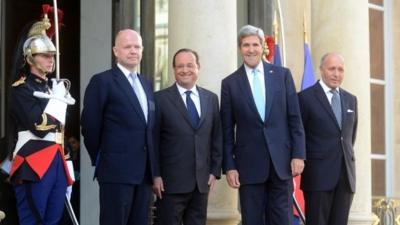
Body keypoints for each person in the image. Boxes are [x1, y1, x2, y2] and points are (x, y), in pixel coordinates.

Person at [220, 25, 306, 225]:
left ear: (262, 47)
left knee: (282, 220)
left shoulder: (282, 75)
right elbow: (226, 131)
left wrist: (298, 154)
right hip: (248, 167)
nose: (251, 49)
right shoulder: (230, 84)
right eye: (246, 45)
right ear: (240, 48)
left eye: (255, 45)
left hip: (282, 164)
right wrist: (230, 167)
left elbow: (295, 118)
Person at [81, 29, 156, 225]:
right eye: (127, 47)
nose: (133, 51)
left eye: (137, 46)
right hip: (115, 171)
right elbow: (90, 125)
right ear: (115, 51)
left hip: (144, 174)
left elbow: (148, 128)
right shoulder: (102, 81)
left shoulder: (146, 84)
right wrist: (104, 156)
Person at [8, 14, 75, 225]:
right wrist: (58, 101)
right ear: (30, 58)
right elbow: (39, 125)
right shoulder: (22, 89)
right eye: (45, 55)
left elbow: (60, 130)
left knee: (52, 220)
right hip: (34, 160)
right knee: (33, 220)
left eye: (52, 55)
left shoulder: (52, 87)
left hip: (57, 161)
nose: (50, 59)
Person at [152, 48, 223, 225]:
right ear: (174, 69)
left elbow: (216, 137)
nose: (185, 70)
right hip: (169, 184)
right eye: (180, 66)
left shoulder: (211, 99)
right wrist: (155, 175)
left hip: (201, 184)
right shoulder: (159, 99)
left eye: (190, 65)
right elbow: (152, 141)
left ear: (198, 67)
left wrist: (215, 171)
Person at [298, 53, 358, 225]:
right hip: (318, 177)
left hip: (345, 178)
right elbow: (299, 135)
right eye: (332, 68)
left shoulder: (351, 100)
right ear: (321, 69)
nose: (336, 74)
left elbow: (349, 138)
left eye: (340, 70)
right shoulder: (305, 98)